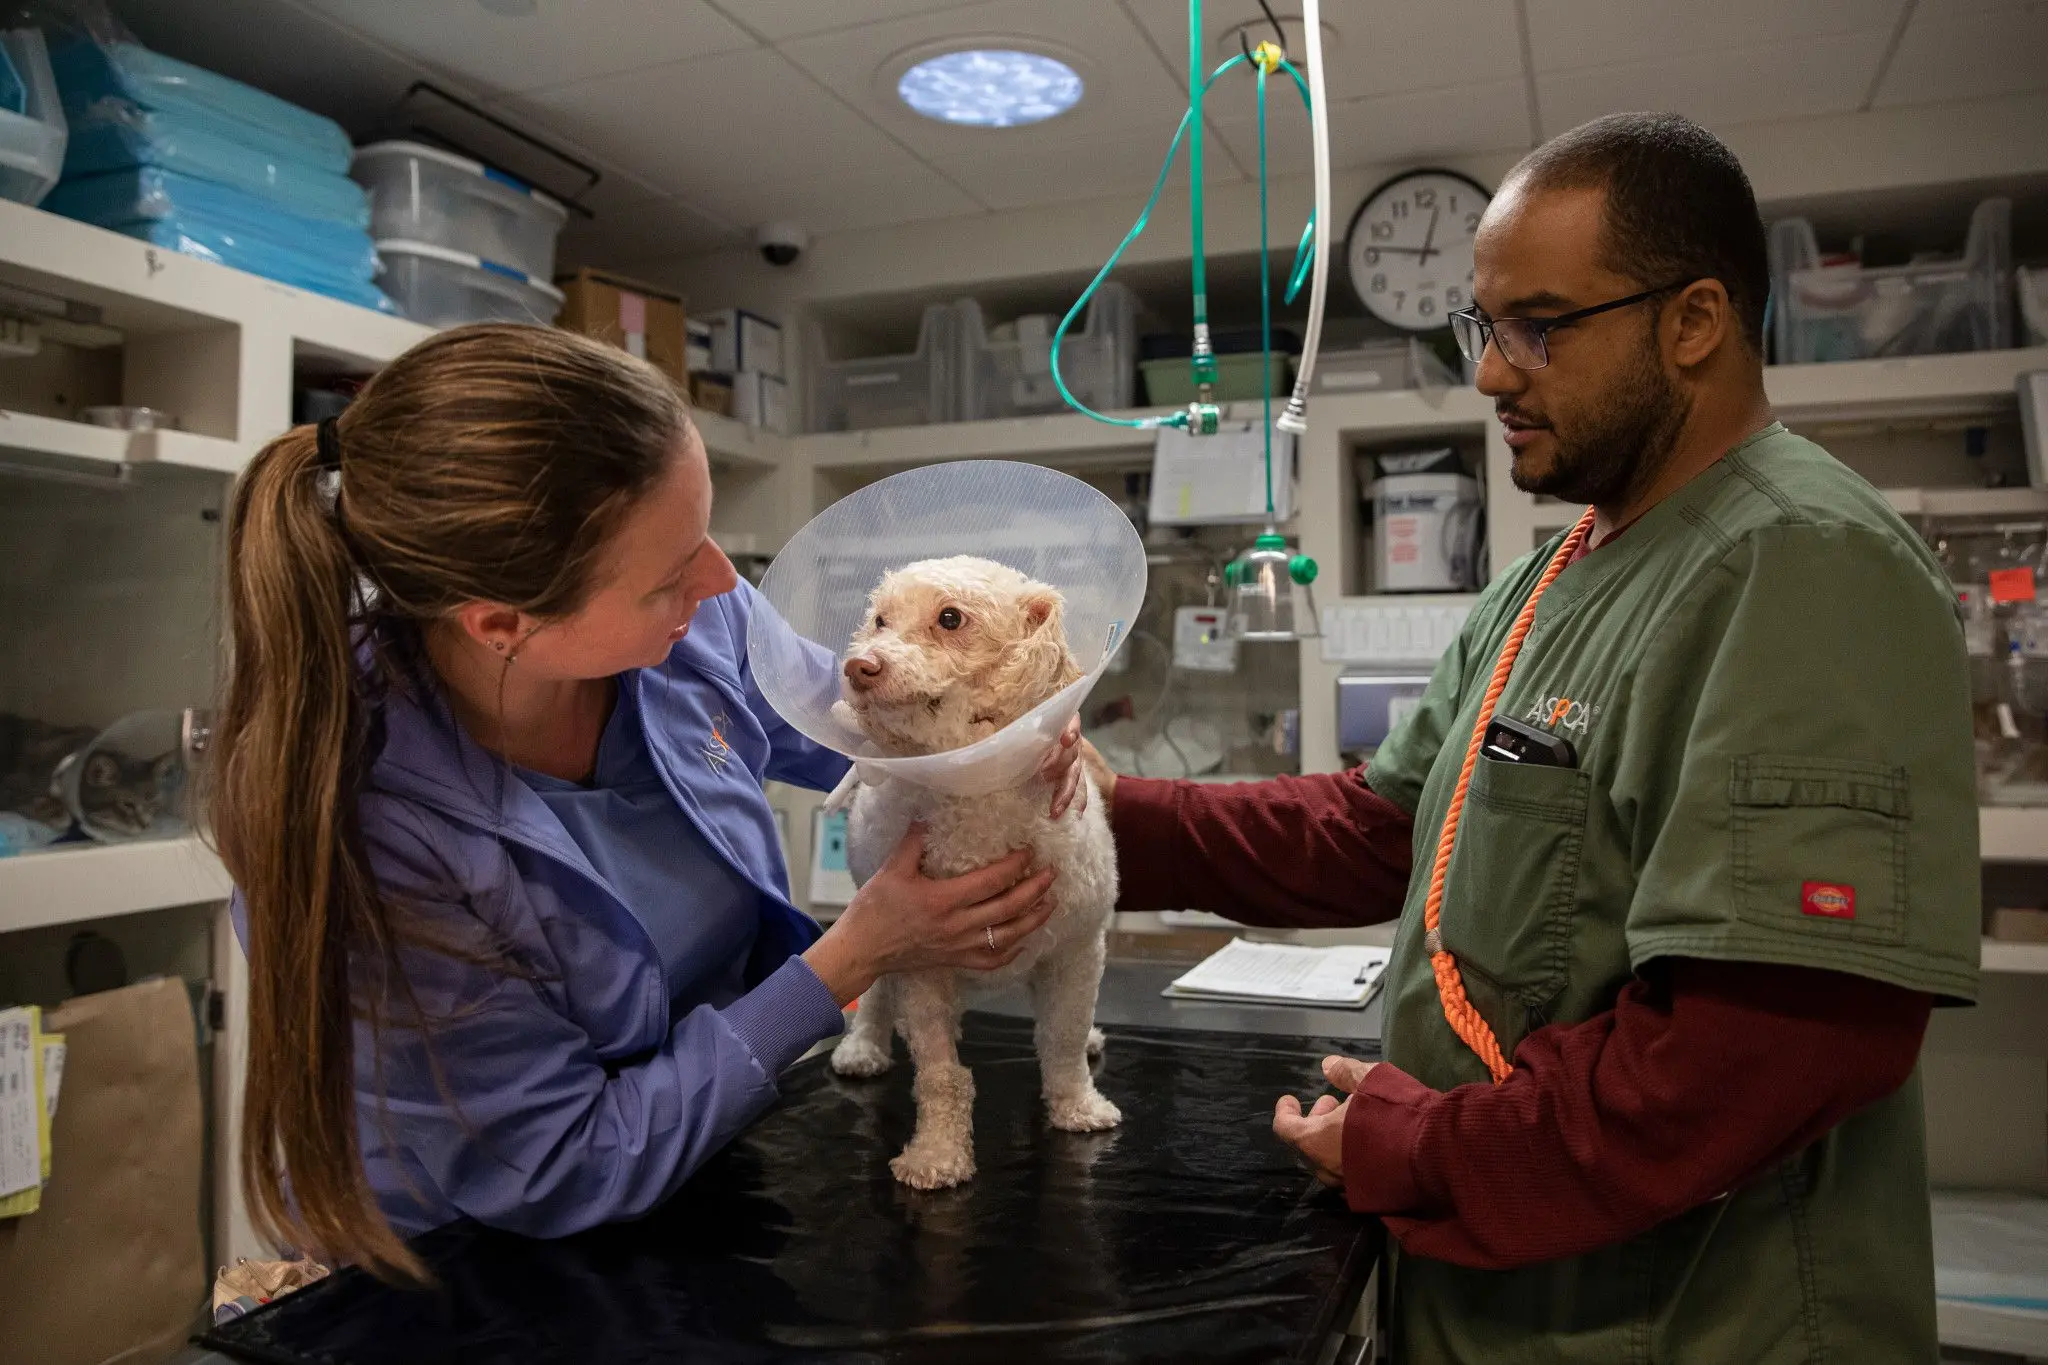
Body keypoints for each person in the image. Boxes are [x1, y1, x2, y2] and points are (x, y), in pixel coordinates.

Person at [1091, 113, 1979, 1362]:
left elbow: (1755, 1057)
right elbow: (1379, 828)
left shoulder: (1798, 563)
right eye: (1482, 327)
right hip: (1499, 1299)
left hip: (1688, 1322)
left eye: (1538, 327)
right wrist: (1094, 811)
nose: (1492, 374)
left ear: (1692, 322)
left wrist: (1417, 1148)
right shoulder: (1547, 579)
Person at [210, 324, 1085, 1280]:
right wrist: (854, 956)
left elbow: (861, 724)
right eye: (671, 573)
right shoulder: (372, 822)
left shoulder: (698, 619)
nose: (719, 582)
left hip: (690, 1185)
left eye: (701, 535)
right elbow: (564, 1161)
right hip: (457, 1269)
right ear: (503, 624)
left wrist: (1011, 726)